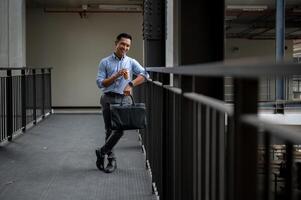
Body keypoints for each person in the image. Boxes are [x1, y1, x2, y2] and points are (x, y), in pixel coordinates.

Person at [95, 33, 148, 173]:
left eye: (128, 45)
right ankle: (111, 160)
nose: (125, 47)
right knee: (109, 130)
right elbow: (100, 83)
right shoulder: (105, 62)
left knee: (120, 129)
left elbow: (145, 74)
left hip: (124, 99)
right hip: (108, 98)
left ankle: (101, 152)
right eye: (122, 44)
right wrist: (116, 75)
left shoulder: (131, 62)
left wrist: (131, 84)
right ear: (116, 43)